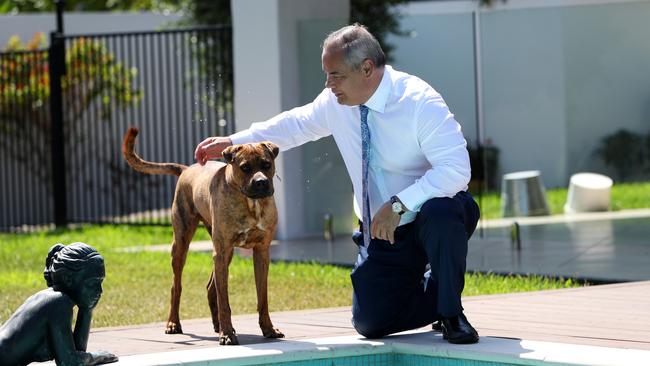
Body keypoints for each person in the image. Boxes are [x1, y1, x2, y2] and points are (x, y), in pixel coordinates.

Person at [194, 24, 481, 344]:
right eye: (326, 74)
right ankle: (438, 294)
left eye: (335, 75)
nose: (328, 84)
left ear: (367, 68)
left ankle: (452, 312)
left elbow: (456, 170)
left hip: (430, 218)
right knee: (371, 321)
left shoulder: (419, 101)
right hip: (381, 231)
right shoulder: (336, 102)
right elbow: (295, 124)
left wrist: (399, 204)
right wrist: (232, 141)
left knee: (443, 211)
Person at [0, 242, 118, 366]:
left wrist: (86, 311)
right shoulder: (59, 303)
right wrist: (97, 356)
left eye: (101, 283)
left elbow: (76, 351)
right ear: (68, 279)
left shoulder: (49, 298)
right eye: (92, 284)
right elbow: (68, 362)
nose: (100, 290)